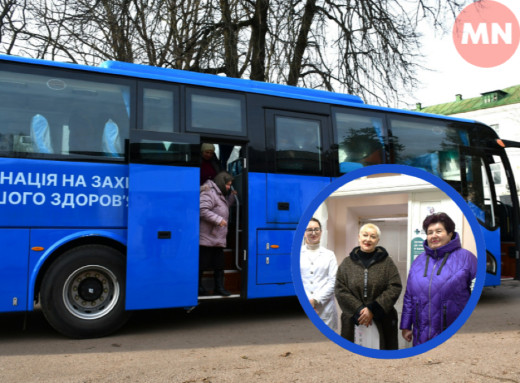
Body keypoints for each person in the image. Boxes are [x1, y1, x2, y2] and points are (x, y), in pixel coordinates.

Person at [400, 212, 477, 347]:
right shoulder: (418, 261)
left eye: (438, 231)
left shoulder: (467, 258)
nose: (433, 236)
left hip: (452, 331)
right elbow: (409, 296)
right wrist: (406, 325)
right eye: (430, 232)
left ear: (450, 233)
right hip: (421, 333)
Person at [335, 223, 402, 349]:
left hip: (383, 319)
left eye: (373, 236)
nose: (368, 239)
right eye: (365, 235)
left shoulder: (387, 263)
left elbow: (395, 287)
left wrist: (373, 309)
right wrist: (359, 309)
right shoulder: (347, 263)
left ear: (378, 240)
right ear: (359, 237)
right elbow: (340, 289)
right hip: (353, 318)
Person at [199, 171, 236, 296]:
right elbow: (202, 209)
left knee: (219, 265)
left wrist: (231, 197)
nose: (228, 187)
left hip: (217, 237)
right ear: (221, 182)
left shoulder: (219, 193)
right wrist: (218, 220)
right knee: (202, 264)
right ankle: (199, 287)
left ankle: (219, 287)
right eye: (227, 184)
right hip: (208, 236)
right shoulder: (209, 191)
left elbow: (223, 207)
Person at [300, 218, 338, 331]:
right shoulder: (296, 254)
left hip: (325, 308)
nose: (313, 233)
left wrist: (315, 300)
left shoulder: (329, 255)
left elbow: (333, 281)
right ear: (304, 233)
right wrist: (307, 301)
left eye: (316, 229)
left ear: (321, 232)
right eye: (309, 230)